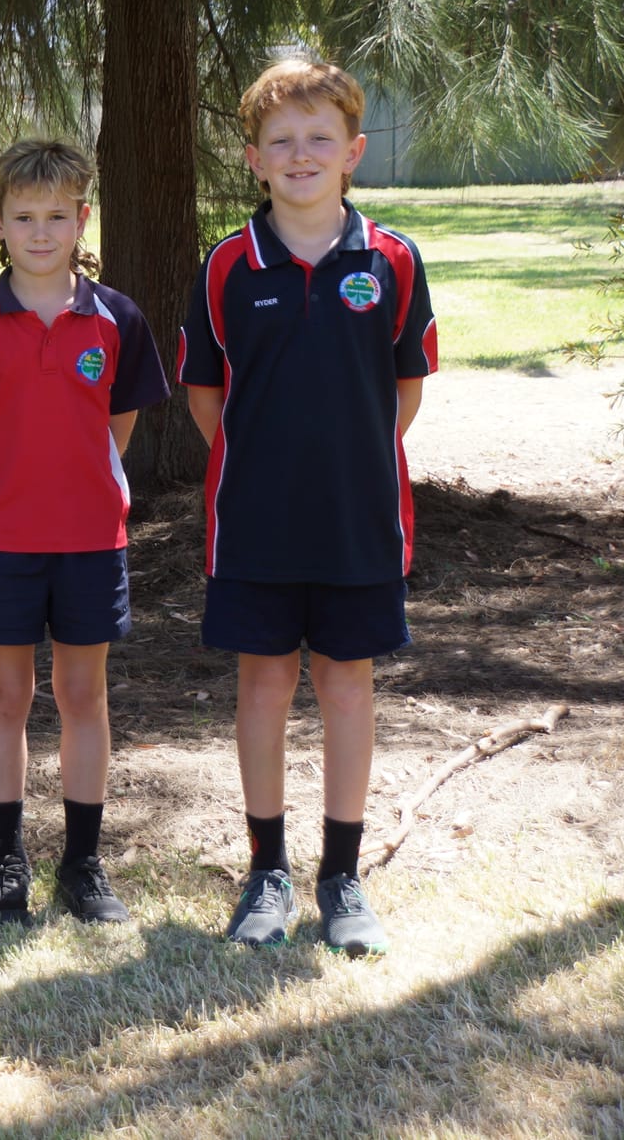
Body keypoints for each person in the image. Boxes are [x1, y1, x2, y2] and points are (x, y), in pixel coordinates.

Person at [178, 58, 437, 956]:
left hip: (359, 518)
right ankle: (267, 870)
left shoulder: (393, 260)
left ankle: (342, 875)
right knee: (262, 682)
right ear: (253, 159)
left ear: (353, 152)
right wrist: (269, 463)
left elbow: (404, 393)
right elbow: (209, 403)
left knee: (347, 684)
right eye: (281, 141)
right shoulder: (225, 267)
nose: (301, 154)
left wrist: (345, 458)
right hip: (254, 520)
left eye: (319, 138)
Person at [0, 140, 168, 929]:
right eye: (24, 216)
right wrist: (9, 493)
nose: (41, 231)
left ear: (81, 218)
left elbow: (118, 429)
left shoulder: (118, 319)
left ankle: (83, 863)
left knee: (81, 695)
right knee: (6, 694)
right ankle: (6, 867)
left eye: (57, 215)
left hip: (90, 539)